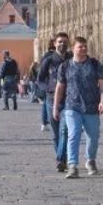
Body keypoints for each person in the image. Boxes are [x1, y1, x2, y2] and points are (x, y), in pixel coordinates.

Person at [53, 37, 103, 178]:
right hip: (72, 105)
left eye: (85, 46)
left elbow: (102, 85)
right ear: (73, 48)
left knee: (93, 136)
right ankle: (72, 165)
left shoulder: (94, 64)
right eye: (80, 47)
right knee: (73, 134)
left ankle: (90, 160)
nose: (83, 49)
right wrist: (55, 107)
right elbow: (60, 87)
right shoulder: (65, 66)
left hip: (91, 106)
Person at [38, 33, 71, 171]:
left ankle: (61, 159)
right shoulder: (49, 59)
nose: (62, 44)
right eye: (59, 42)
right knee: (56, 133)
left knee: (65, 131)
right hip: (52, 100)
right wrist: (48, 89)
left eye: (64, 42)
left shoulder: (71, 58)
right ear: (55, 43)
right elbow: (40, 79)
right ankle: (62, 157)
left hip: (69, 99)